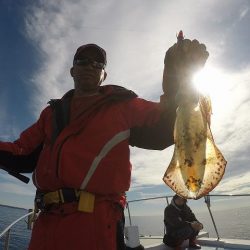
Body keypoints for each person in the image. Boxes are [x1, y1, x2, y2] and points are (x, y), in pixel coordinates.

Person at [0, 38, 208, 250]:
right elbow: (21, 154)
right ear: (72, 71)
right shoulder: (51, 114)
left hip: (97, 225)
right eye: (83, 61)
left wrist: (178, 71)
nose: (91, 66)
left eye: (98, 64)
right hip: (46, 227)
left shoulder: (123, 106)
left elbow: (165, 128)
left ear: (104, 75)